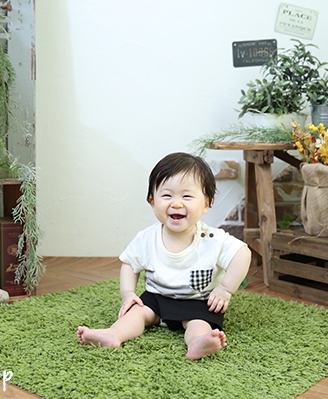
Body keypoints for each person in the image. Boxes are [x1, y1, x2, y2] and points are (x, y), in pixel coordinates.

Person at [77, 152, 251, 360]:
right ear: (152, 202)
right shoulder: (146, 238)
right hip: (156, 298)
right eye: (167, 196)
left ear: (206, 203)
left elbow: (242, 253)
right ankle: (114, 334)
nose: (176, 204)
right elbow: (130, 264)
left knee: (199, 324)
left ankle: (197, 342)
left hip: (198, 301)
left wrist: (225, 289)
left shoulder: (213, 239)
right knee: (136, 314)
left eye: (186, 196)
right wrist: (128, 293)